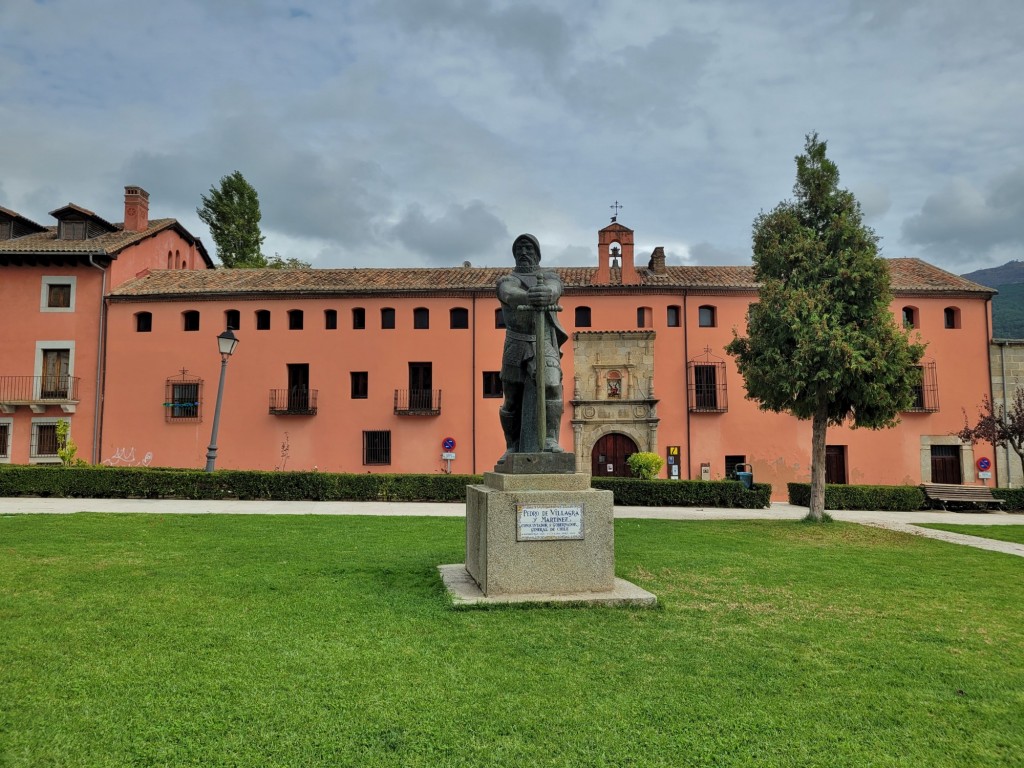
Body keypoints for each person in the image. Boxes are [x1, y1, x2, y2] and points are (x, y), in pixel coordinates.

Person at [496, 234, 568, 460]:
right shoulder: (507, 280)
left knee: (553, 387)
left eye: (528, 247)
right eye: (519, 248)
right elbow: (508, 293)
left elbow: (555, 287)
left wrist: (548, 294)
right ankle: (512, 445)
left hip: (544, 339)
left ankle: (550, 439)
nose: (524, 252)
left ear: (537, 253)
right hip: (516, 341)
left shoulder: (548, 277)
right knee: (512, 398)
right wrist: (528, 296)